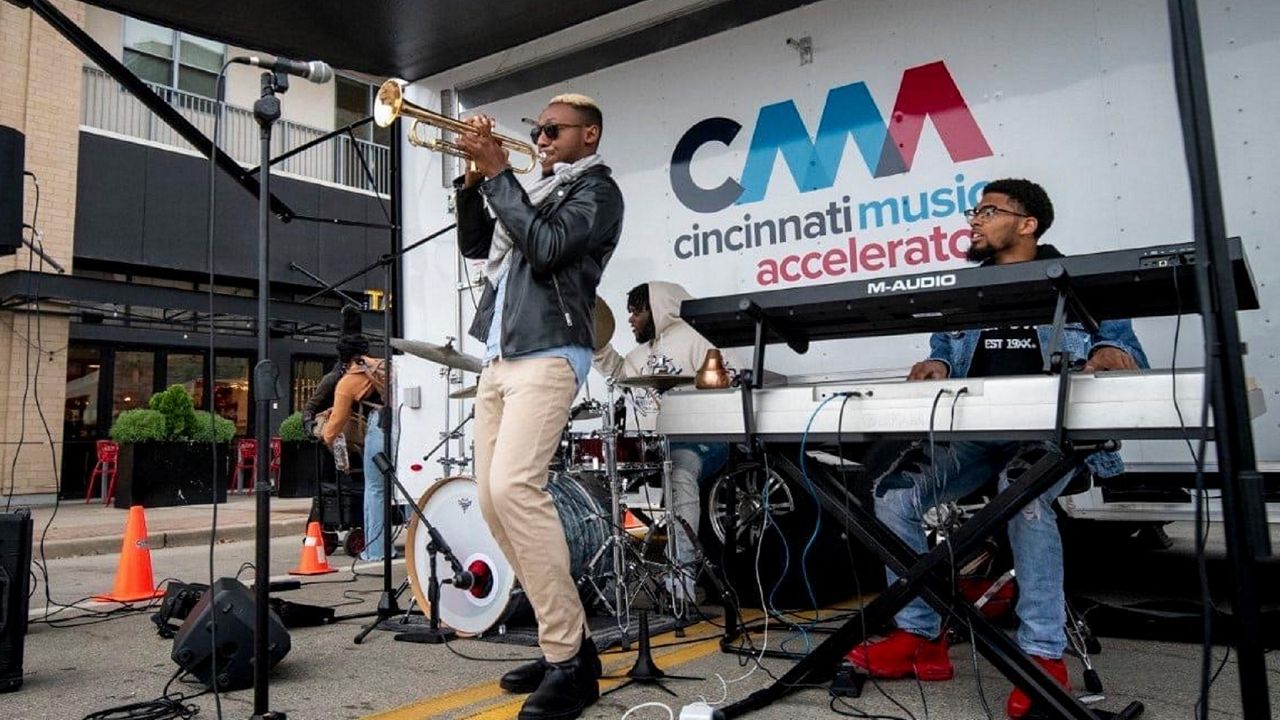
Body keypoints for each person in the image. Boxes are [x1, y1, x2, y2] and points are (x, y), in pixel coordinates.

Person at [846, 178, 1148, 719]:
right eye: (974, 210)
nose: (974, 220)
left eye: (988, 211)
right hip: (976, 435)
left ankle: (1040, 656)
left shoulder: (1074, 281)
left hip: (1050, 436)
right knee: (893, 495)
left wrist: (1105, 351)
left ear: (1027, 224)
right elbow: (944, 349)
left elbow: (1122, 345)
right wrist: (937, 364)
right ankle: (920, 637)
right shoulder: (965, 287)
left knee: (1022, 494)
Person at [455, 92, 623, 720]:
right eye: (537, 129)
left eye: (554, 130)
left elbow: (549, 248)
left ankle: (569, 662)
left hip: (552, 350)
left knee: (516, 489)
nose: (543, 139)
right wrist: (474, 180)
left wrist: (500, 173)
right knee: (493, 498)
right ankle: (570, 644)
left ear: (590, 133)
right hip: (502, 354)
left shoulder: (599, 192)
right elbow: (478, 246)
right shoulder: (533, 187)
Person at [592, 281, 730, 600]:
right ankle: (608, 578)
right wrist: (597, 343)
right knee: (605, 479)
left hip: (703, 439)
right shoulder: (642, 353)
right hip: (656, 445)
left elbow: (727, 380)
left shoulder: (699, 336)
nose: (630, 320)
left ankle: (683, 578)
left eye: (636, 312)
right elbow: (619, 373)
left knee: (680, 473)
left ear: (658, 309)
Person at [320, 328, 390, 562]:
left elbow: (337, 422)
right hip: (405, 424)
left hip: (379, 428)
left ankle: (375, 550)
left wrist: (326, 437)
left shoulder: (348, 381)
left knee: (376, 489)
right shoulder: (386, 366)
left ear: (342, 357)